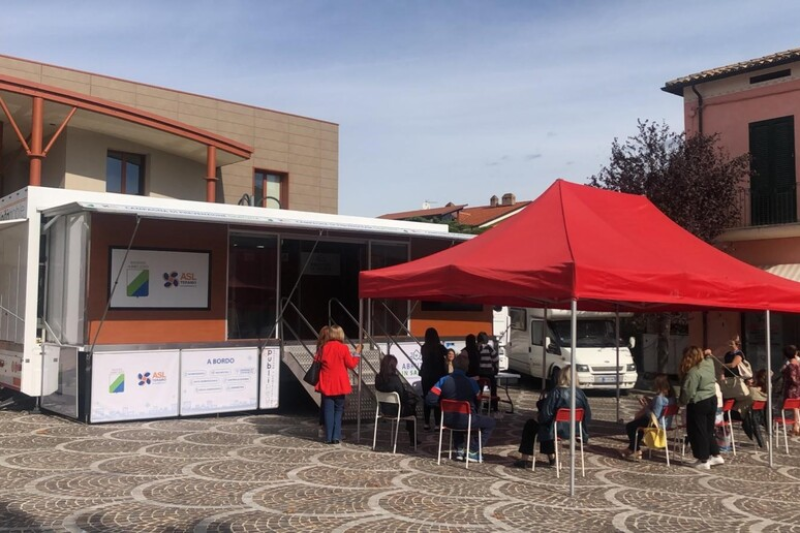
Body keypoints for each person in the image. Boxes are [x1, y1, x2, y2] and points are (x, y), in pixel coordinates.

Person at [514, 365, 591, 468]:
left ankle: (524, 459)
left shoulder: (556, 392)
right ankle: (551, 457)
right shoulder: (581, 394)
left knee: (533, 425)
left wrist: (538, 417)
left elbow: (546, 414)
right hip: (576, 430)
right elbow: (588, 415)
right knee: (547, 426)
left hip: (555, 429)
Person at [426, 353, 496, 461]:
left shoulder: (443, 380)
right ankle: (472, 451)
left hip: (447, 420)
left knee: (455, 415)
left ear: (453, 365)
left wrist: (441, 404)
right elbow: (480, 399)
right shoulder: (472, 382)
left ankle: (460, 448)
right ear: (467, 367)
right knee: (490, 422)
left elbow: (430, 400)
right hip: (467, 419)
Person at [678, 345, 724, 470]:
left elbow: (688, 392)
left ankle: (703, 459)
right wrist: (708, 353)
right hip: (712, 399)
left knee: (698, 431)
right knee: (708, 430)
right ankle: (715, 454)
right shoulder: (708, 364)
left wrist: (680, 402)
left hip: (699, 402)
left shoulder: (693, 372)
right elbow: (709, 358)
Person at [315, 325, 361, 444]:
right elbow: (351, 364)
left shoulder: (322, 348)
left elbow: (316, 362)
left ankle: (328, 436)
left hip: (326, 383)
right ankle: (336, 436)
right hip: (340, 383)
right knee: (339, 409)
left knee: (328, 410)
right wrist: (357, 353)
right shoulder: (343, 348)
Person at [619, 374, 676, 460]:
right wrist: (650, 401)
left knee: (631, 426)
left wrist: (645, 407)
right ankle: (631, 449)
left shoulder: (659, 398)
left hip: (657, 424)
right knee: (638, 424)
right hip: (666, 423)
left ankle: (636, 449)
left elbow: (654, 415)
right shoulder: (672, 397)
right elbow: (659, 407)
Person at [375, 354, 419, 446]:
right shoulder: (395, 379)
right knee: (412, 406)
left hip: (384, 410)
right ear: (393, 366)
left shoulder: (378, 378)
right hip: (397, 411)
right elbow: (403, 396)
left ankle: (410, 429)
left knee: (410, 404)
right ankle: (412, 436)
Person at [420, 328, 448, 430]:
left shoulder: (424, 348)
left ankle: (426, 423)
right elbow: (448, 354)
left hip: (426, 375)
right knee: (438, 399)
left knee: (426, 398)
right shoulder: (440, 348)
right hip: (438, 376)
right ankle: (437, 424)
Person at [477, 332, 500, 412]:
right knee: (493, 390)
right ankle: (494, 406)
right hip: (489, 373)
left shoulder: (477, 348)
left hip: (479, 373)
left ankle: (478, 405)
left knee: (479, 390)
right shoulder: (489, 348)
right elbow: (496, 358)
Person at [315, 325, 330, 438]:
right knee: (328, 405)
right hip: (328, 380)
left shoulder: (320, 348)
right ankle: (327, 428)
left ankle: (322, 427)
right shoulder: (326, 348)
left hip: (323, 380)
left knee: (324, 403)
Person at [781, 344, 800, 435]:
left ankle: (796, 427)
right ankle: (795, 427)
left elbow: (793, 378)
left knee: (794, 408)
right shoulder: (798, 363)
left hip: (792, 389)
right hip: (798, 388)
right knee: (796, 408)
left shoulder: (791, 365)